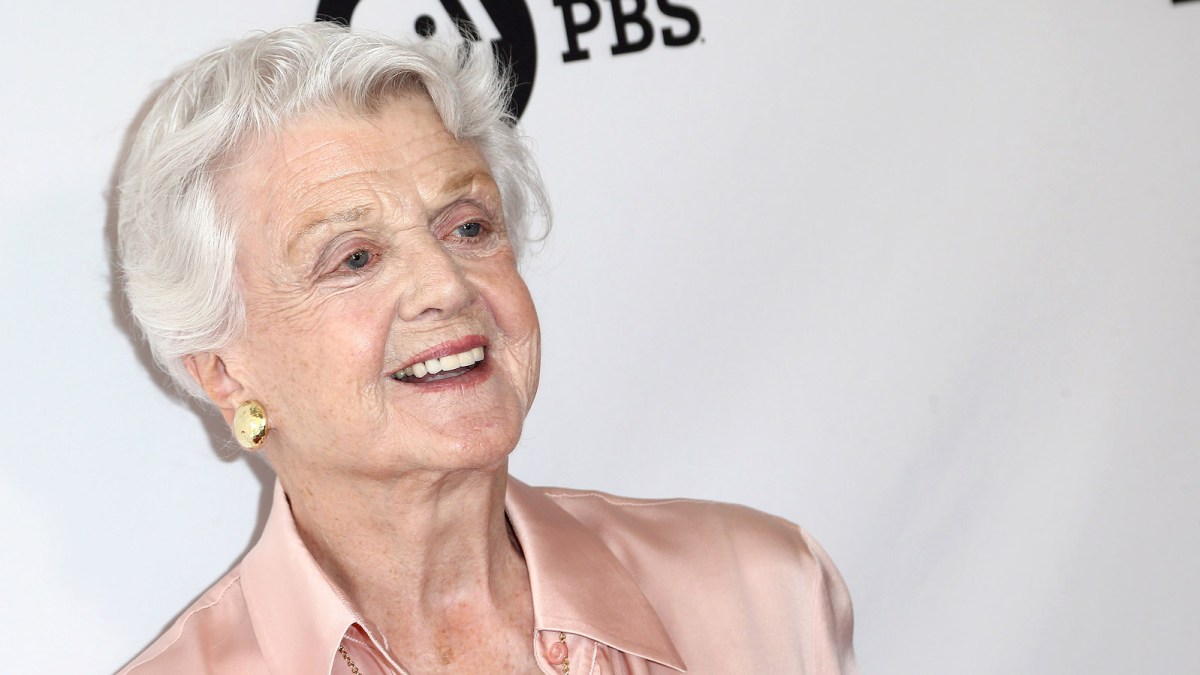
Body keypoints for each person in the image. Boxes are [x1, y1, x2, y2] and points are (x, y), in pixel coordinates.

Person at [115, 22, 857, 674]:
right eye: (354, 259)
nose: (445, 284)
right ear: (223, 371)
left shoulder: (760, 592)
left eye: (467, 227)